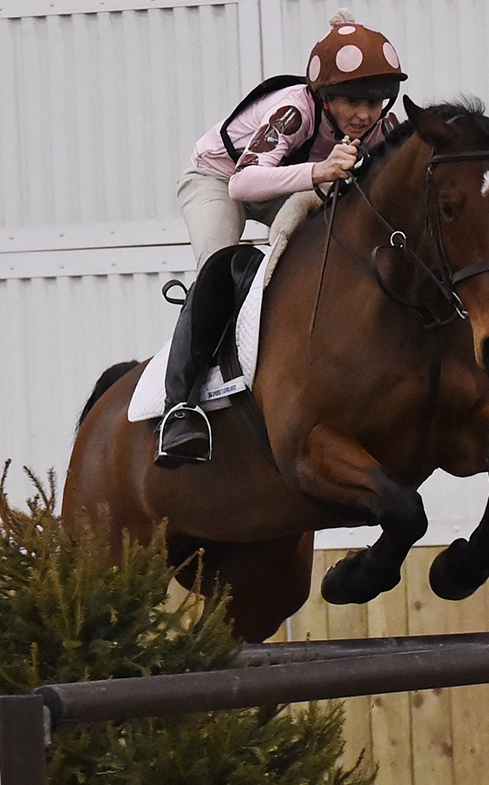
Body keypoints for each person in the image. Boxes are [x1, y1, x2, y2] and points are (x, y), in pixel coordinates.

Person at [156, 9, 407, 467]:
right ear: (325, 97)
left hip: (284, 181)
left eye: (375, 103)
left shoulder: (379, 130)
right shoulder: (295, 109)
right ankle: (181, 408)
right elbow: (242, 184)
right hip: (218, 178)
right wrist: (319, 170)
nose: (364, 115)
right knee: (219, 264)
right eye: (352, 101)